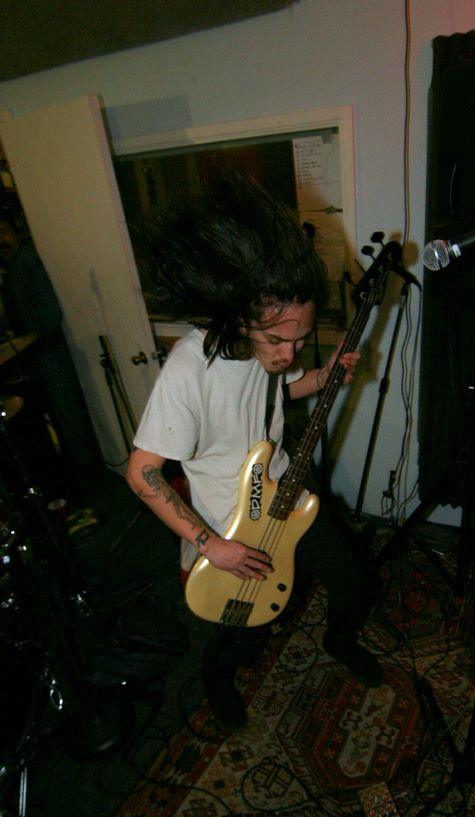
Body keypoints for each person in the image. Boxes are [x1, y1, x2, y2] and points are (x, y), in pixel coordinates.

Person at [126, 171, 383, 730]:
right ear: (241, 315)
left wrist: (323, 375)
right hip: (231, 524)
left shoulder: (266, 351)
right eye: (277, 340)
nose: (288, 352)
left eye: (300, 339)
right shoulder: (191, 367)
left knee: (356, 580)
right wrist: (209, 544)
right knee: (247, 630)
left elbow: (275, 394)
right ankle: (216, 677)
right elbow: (142, 471)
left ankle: (340, 640)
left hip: (287, 491)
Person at [0, 210, 101, 508]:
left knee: (66, 407)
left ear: (17, 231)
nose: (2, 240)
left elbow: (50, 313)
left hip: (48, 349)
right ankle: (71, 471)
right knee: (51, 414)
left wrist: (28, 337)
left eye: (5, 231)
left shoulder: (27, 259)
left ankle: (87, 473)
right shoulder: (10, 268)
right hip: (32, 352)